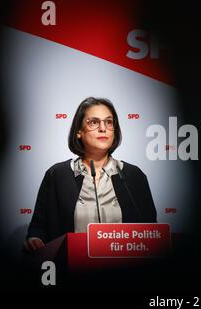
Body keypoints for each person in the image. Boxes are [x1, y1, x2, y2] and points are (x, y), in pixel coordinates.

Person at [23, 97, 157, 252]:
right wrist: (35, 239)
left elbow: (151, 232)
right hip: (69, 270)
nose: (103, 128)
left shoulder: (134, 176)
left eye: (109, 122)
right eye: (94, 122)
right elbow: (38, 228)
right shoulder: (57, 175)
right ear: (79, 131)